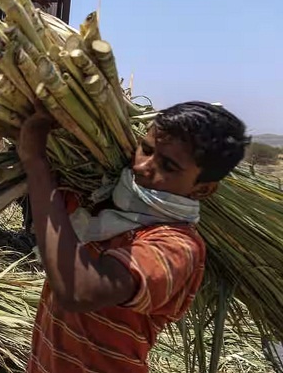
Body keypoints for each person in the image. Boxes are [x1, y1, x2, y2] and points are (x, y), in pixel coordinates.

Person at [18, 101, 249, 373]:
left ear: (202, 189)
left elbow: (79, 291)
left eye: (168, 166)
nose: (142, 166)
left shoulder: (175, 247)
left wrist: (36, 162)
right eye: (146, 149)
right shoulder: (99, 201)